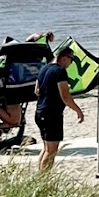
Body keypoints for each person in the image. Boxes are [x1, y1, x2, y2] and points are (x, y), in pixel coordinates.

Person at [35, 43, 85, 172]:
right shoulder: (60, 71)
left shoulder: (44, 68)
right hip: (51, 114)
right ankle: (43, 178)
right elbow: (65, 96)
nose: (71, 63)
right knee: (51, 150)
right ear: (64, 58)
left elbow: (37, 90)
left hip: (40, 111)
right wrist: (78, 111)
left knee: (47, 148)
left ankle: (39, 176)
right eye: (71, 59)